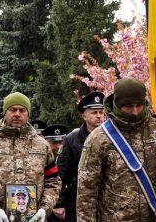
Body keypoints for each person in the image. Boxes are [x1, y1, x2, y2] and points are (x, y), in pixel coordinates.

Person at [76, 78, 156, 222]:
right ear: (117, 105)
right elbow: (87, 191)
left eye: (139, 105)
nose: (135, 111)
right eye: (129, 106)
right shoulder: (99, 138)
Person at [0, 92, 61, 222]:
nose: (17, 114)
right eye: (13, 110)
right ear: (5, 112)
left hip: (34, 219)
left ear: (28, 114)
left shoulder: (42, 145)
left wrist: (45, 208)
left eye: (22, 110)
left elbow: (53, 181)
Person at [54, 91, 105, 222]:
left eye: (101, 112)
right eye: (94, 113)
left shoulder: (112, 138)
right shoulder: (72, 139)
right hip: (77, 202)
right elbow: (61, 172)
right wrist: (59, 203)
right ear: (84, 116)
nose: (99, 116)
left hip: (106, 201)